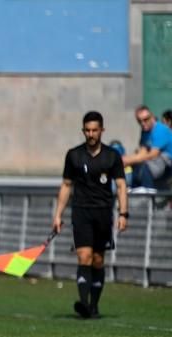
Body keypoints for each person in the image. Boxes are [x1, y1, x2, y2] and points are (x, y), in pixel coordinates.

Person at [52, 111, 128, 319]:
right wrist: (58, 215)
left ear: (102, 130)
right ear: (83, 131)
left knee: (97, 260)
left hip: (103, 213)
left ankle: (93, 305)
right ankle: (84, 304)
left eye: (95, 130)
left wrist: (123, 213)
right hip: (81, 212)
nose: (91, 134)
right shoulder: (74, 155)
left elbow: (121, 185)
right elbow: (67, 185)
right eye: (87, 130)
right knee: (83, 256)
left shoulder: (112, 156)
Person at [124, 105, 172, 191]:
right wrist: (125, 160)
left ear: (152, 117)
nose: (143, 123)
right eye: (139, 121)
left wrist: (127, 160)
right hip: (164, 163)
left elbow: (153, 154)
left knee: (145, 167)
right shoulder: (145, 131)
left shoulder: (160, 130)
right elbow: (142, 152)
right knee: (138, 166)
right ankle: (139, 194)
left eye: (146, 119)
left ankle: (149, 196)